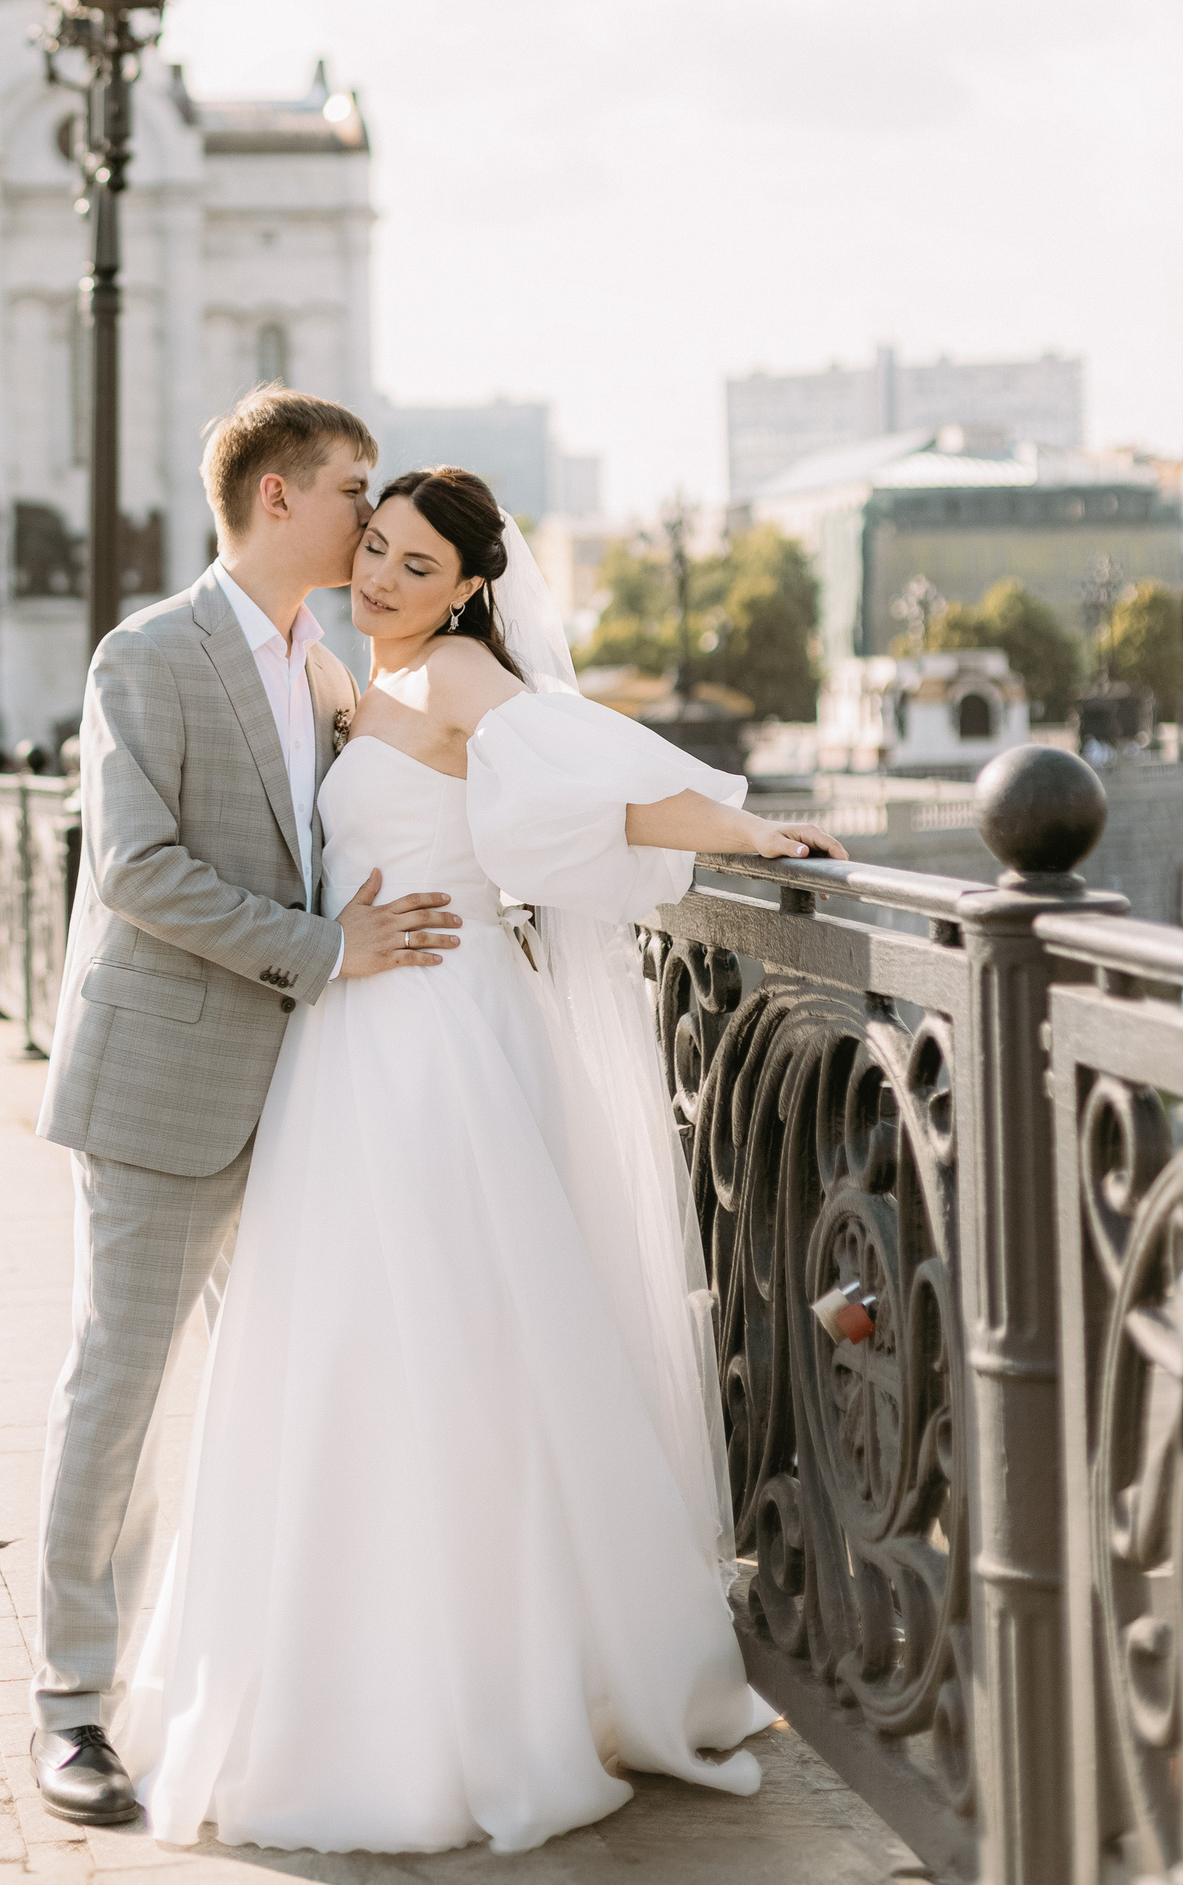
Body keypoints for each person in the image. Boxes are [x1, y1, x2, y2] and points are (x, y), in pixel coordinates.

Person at [116, 464, 844, 1854]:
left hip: (439, 1037)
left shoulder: (455, 674)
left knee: (456, 1337)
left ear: (466, 590)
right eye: (376, 549)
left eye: (417, 566)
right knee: (348, 1341)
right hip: (350, 1038)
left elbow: (605, 787)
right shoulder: (356, 682)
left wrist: (744, 828)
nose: (384, 578)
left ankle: (480, 1689)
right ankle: (358, 1670)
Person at [28, 391, 467, 1828]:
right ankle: (72, 1706)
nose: (371, 515)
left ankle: (253, 1679)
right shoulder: (148, 652)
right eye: (352, 488)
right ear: (278, 497)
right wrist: (327, 951)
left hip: (306, 1097)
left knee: (286, 1392)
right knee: (121, 1394)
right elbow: (137, 869)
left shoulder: (326, 665)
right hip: (164, 1083)